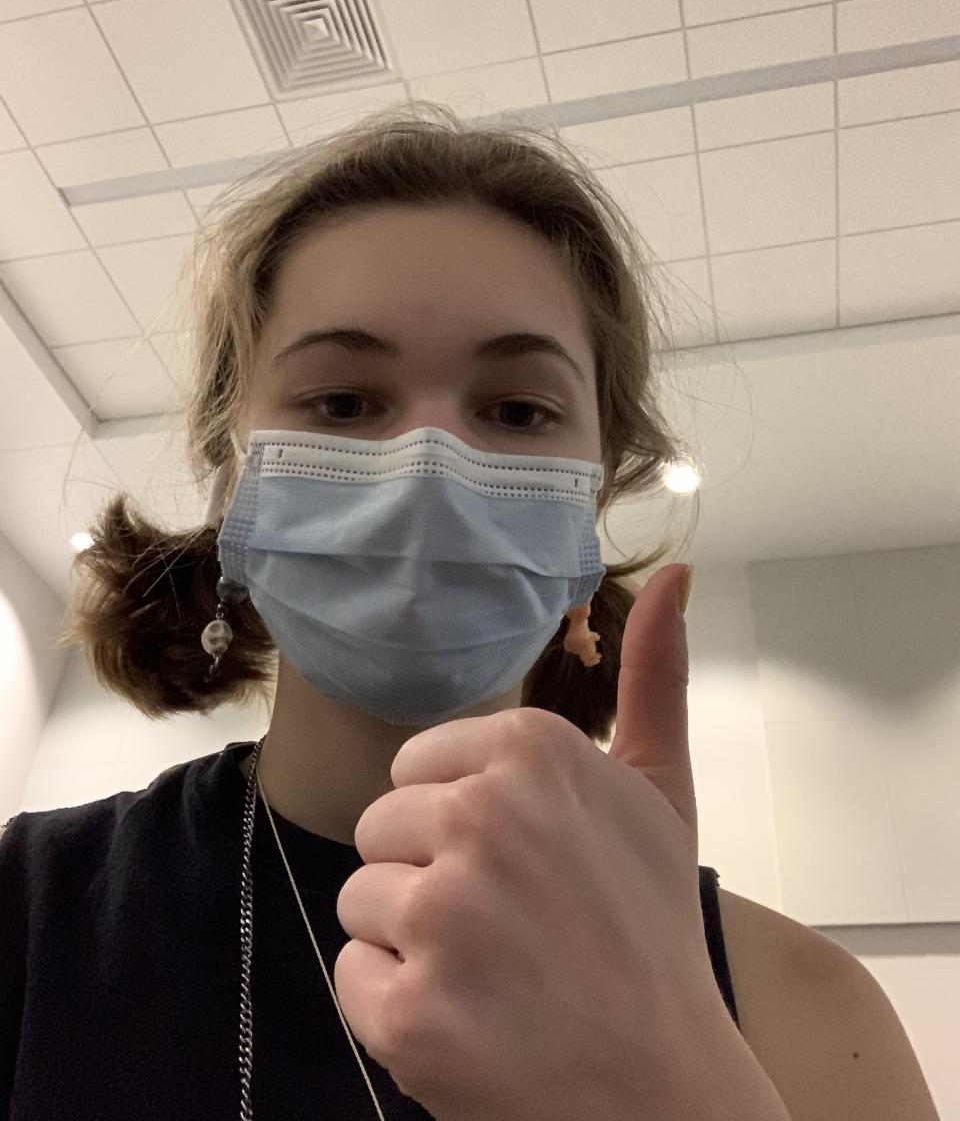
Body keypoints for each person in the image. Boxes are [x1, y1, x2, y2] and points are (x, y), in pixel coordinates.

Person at [0, 104, 782, 1118]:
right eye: (342, 402)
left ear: (592, 497)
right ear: (232, 481)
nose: (428, 470)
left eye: (517, 410)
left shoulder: (792, 997)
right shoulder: (28, 907)